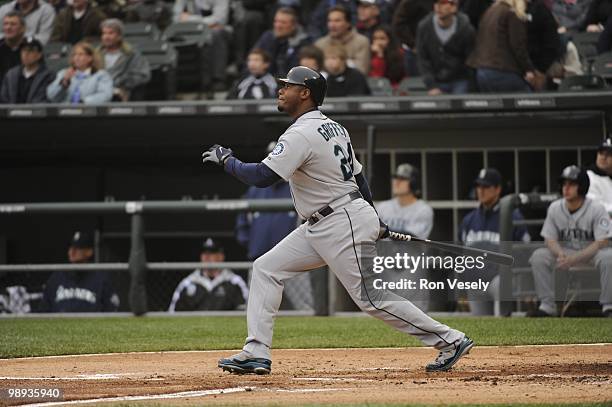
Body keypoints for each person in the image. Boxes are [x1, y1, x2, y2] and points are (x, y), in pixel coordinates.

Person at [202, 65, 474, 375]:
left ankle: (449, 340)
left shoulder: (301, 133)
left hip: (340, 220)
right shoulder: (335, 127)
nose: (281, 90)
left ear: (305, 93)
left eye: (287, 86)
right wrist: (373, 216)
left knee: (371, 298)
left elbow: (263, 176)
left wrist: (228, 161)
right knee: (266, 268)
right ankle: (256, 352)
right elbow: (359, 178)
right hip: (327, 221)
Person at [235, 142, 312, 311]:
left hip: (293, 260)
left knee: (305, 307)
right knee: (257, 307)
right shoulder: (255, 190)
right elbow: (243, 221)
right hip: (260, 258)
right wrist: (251, 245)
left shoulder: (297, 186)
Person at [528, 165, 612, 317]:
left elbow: (602, 242)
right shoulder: (555, 208)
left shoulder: (597, 208)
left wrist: (574, 259)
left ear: (582, 187)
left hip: (591, 254)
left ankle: (608, 307)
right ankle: (547, 306)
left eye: (572, 184)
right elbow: (549, 238)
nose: (566, 188)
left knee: (608, 256)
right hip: (566, 254)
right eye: (564, 184)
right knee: (539, 256)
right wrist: (560, 254)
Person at [459, 168, 530, 315]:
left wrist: (524, 282)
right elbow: (461, 253)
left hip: (499, 281)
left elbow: (525, 249)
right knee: (480, 330)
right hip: (475, 282)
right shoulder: (469, 220)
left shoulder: (512, 216)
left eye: (486, 187)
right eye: (479, 186)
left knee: (500, 323)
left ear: (498, 189)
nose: (481, 191)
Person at [376, 163, 433, 312]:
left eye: (403, 178)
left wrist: (383, 229)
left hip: (411, 275)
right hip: (386, 273)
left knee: (416, 320)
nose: (397, 182)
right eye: (396, 178)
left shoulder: (423, 209)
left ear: (413, 183)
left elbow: (411, 237)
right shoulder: (383, 207)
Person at [467, 0, 536, 92]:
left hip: (482, 71)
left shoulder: (490, 11)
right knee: (529, 101)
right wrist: (528, 69)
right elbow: (518, 46)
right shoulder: (512, 13)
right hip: (502, 70)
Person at [42, 231, 120, 312]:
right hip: (60, 323)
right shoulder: (57, 277)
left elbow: (111, 309)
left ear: (89, 252)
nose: (72, 252)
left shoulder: (101, 278)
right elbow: (44, 309)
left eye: (78, 248)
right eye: (71, 247)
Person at [168, 238, 249, 312]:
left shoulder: (234, 282)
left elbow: (245, 311)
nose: (207, 256)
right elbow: (173, 312)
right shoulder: (189, 282)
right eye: (204, 253)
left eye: (211, 253)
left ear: (221, 256)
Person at [416, 0, 475, 95]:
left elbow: (470, 59)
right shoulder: (424, 27)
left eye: (443, 2)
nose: (438, 6)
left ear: (454, 7)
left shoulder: (466, 29)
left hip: (459, 79)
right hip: (436, 80)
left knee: (460, 105)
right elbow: (422, 59)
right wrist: (431, 85)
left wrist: (470, 84)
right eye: (436, 3)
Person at [172, 0, 230, 91]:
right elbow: (176, 18)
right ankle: (182, 82)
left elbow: (220, 20)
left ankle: (217, 79)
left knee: (216, 33)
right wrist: (203, 22)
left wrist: (190, 19)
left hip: (214, 31)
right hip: (189, 30)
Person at [98, 19, 151, 102]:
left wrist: (121, 82)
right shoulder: (95, 54)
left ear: (119, 36)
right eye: (104, 33)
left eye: (110, 33)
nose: (106, 37)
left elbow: (142, 75)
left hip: (122, 92)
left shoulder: (132, 54)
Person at [47, 41, 113, 104]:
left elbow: (105, 95)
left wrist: (84, 102)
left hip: (89, 112)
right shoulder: (64, 73)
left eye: (80, 54)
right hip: (64, 112)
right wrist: (64, 82)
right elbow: (51, 96)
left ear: (90, 58)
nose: (76, 58)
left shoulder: (101, 75)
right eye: (74, 55)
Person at [252, 7, 311, 77]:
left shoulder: (304, 44)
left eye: (283, 22)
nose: (277, 25)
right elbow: (252, 60)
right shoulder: (268, 37)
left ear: (294, 26)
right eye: (276, 21)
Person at [314, 5, 371, 75]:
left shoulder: (362, 42)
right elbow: (315, 71)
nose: (332, 25)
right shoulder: (320, 44)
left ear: (348, 23)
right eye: (330, 21)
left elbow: (362, 71)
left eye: (337, 21)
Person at [1, 36, 54, 103]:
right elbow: (4, 99)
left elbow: (43, 99)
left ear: (39, 55)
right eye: (24, 50)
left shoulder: (48, 76)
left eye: (31, 50)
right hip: (12, 112)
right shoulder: (11, 75)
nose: (26, 54)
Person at [392, 0, 435, 76]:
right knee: (417, 84)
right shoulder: (411, 2)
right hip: (417, 53)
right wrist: (413, 44)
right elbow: (398, 24)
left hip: (439, 52)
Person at [526, 0, 562, 91]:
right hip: (515, 68)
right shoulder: (506, 10)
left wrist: (540, 70)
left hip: (538, 67)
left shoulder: (539, 9)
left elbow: (552, 43)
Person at [587, 138, 612, 213]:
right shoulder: (588, 176)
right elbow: (595, 207)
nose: (603, 157)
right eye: (601, 153)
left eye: (609, 154)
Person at [0, 11, 26, 84]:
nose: (8, 27)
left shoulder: (31, 48)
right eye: (6, 24)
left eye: (13, 24)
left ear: (22, 28)